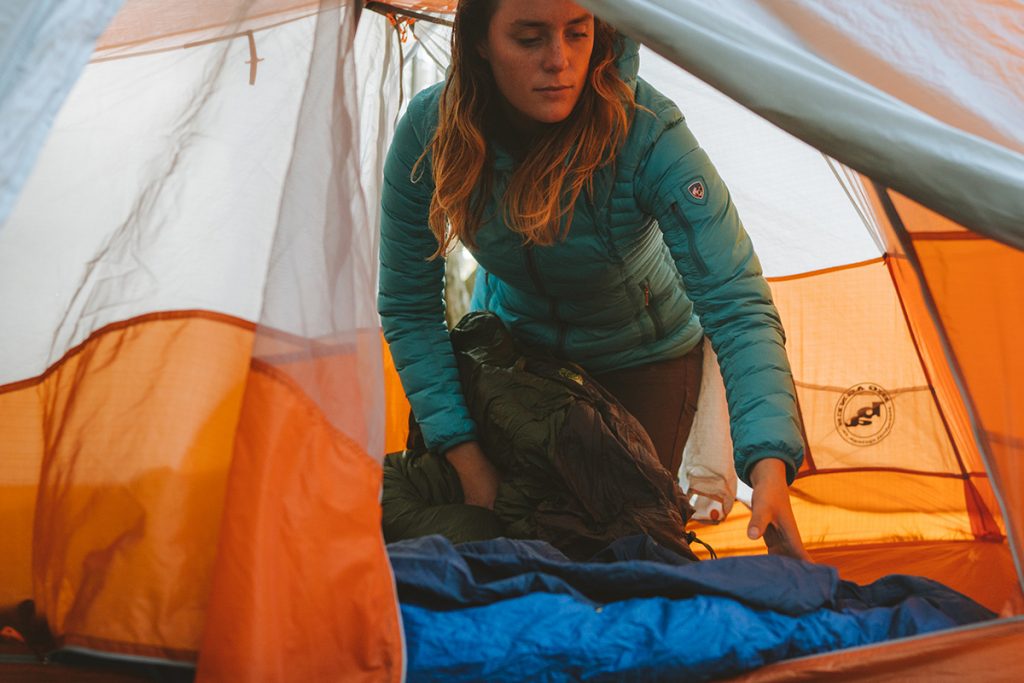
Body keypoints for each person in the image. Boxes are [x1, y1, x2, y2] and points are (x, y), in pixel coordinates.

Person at [379, 0, 809, 560]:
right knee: (410, 507)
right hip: (519, 354)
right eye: (529, 38)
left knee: (616, 548)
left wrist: (769, 469)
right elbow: (409, 306)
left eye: (577, 34)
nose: (558, 60)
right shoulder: (432, 132)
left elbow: (735, 302)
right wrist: (467, 458)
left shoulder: (647, 134)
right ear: (479, 42)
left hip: (645, 358)